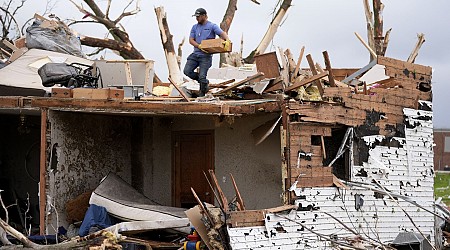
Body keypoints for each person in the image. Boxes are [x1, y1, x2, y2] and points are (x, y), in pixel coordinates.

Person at [184, 8, 231, 97]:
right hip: (196, 54)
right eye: (196, 17)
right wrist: (199, 46)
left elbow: (222, 34)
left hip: (206, 56)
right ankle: (205, 83)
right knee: (187, 71)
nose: (197, 18)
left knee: (202, 76)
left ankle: (201, 94)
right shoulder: (195, 27)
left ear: (204, 16)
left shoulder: (212, 26)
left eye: (198, 17)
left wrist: (227, 40)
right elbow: (191, 40)